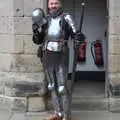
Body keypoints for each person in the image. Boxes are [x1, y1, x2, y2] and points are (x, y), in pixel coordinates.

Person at [32, 0, 80, 119]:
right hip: (47, 54)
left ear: (60, 4)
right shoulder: (45, 20)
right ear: (48, 5)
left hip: (61, 54)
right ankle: (57, 113)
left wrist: (79, 37)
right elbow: (39, 40)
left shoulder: (66, 18)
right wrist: (36, 32)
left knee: (62, 87)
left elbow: (76, 34)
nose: (53, 6)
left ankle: (66, 115)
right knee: (51, 86)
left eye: (56, 3)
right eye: (51, 3)